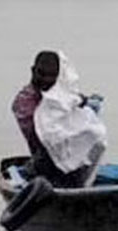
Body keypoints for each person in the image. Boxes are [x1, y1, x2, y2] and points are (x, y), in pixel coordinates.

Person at [11, 50, 107, 187]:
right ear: (33, 71)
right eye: (41, 73)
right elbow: (40, 136)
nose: (45, 80)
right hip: (44, 165)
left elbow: (75, 102)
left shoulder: (60, 96)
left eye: (51, 76)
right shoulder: (25, 101)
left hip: (72, 165)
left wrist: (86, 104)